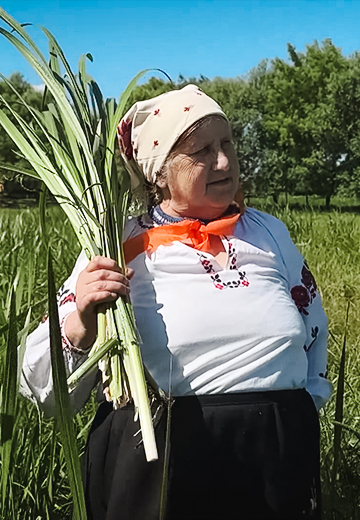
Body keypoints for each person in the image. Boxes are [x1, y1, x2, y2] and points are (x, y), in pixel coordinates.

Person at [21, 85, 332, 520]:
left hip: (275, 461)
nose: (223, 161)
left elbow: (313, 327)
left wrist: (300, 414)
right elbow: (44, 393)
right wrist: (80, 323)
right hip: (162, 462)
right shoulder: (118, 242)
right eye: (201, 151)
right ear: (158, 173)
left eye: (227, 144)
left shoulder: (267, 232)